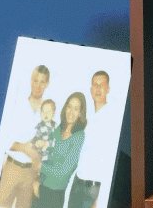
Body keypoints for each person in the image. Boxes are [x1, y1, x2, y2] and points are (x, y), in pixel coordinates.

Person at [0, 65, 52, 208]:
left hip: (31, 173)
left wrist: (38, 173)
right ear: (30, 80)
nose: (38, 86)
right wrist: (22, 147)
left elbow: (48, 144)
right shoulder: (16, 104)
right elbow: (2, 138)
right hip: (12, 168)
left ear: (47, 84)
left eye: (42, 82)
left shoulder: (47, 112)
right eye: (35, 80)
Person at [32, 93, 87, 208]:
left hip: (54, 195)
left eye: (76, 109)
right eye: (69, 106)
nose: (71, 112)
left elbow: (64, 171)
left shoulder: (79, 136)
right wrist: (38, 179)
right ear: (65, 107)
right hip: (40, 187)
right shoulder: (57, 129)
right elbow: (46, 156)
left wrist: (40, 167)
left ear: (80, 113)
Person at [67, 72, 113, 208]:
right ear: (90, 90)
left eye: (102, 85)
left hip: (94, 190)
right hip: (77, 183)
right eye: (95, 85)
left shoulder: (112, 119)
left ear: (108, 89)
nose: (98, 89)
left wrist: (100, 199)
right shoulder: (89, 117)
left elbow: (111, 160)